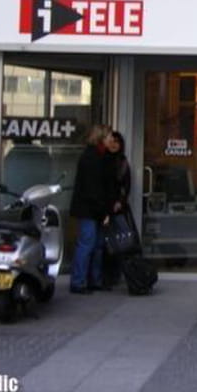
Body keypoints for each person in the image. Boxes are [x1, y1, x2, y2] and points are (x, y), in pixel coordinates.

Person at [69, 124, 115, 294]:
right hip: (89, 210)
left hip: (96, 209)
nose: (112, 139)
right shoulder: (91, 158)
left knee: (97, 246)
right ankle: (79, 282)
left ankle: (94, 280)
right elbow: (93, 190)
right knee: (87, 244)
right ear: (101, 138)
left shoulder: (100, 156)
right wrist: (104, 212)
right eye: (109, 136)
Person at [102, 130, 131, 288]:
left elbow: (126, 185)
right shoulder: (101, 160)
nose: (113, 144)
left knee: (121, 242)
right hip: (102, 208)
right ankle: (104, 276)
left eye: (117, 142)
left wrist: (120, 201)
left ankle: (117, 274)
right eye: (111, 141)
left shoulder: (122, 162)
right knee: (104, 244)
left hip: (117, 209)